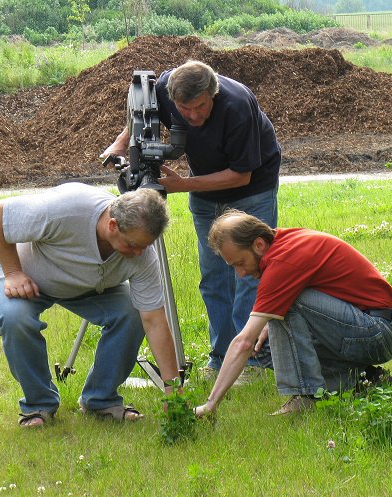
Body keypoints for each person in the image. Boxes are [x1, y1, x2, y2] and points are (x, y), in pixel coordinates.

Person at [103, 60, 281, 378]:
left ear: (213, 94)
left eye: (201, 107)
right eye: (185, 109)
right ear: (173, 98)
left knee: (249, 273)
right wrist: (118, 146)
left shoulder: (238, 104)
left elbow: (241, 176)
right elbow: (143, 117)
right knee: (214, 277)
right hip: (204, 190)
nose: (193, 116)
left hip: (252, 188)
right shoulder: (163, 89)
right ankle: (221, 358)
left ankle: (252, 361)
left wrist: (183, 184)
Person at [0, 183, 181, 426]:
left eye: (146, 245)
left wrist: (173, 390)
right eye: (133, 245)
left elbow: (154, 321)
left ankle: (100, 400)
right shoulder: (65, 209)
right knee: (15, 319)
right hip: (29, 278)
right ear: (112, 225)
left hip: (91, 287)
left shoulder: (142, 253)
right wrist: (13, 272)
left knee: (133, 312)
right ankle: (38, 405)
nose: (141, 253)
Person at [193, 210, 392, 417]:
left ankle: (306, 395)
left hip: (379, 333)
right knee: (264, 349)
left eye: (240, 263)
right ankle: (362, 379)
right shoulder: (282, 242)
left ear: (258, 244)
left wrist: (211, 404)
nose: (240, 274)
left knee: (282, 308)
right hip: (366, 328)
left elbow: (243, 342)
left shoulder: (282, 261)